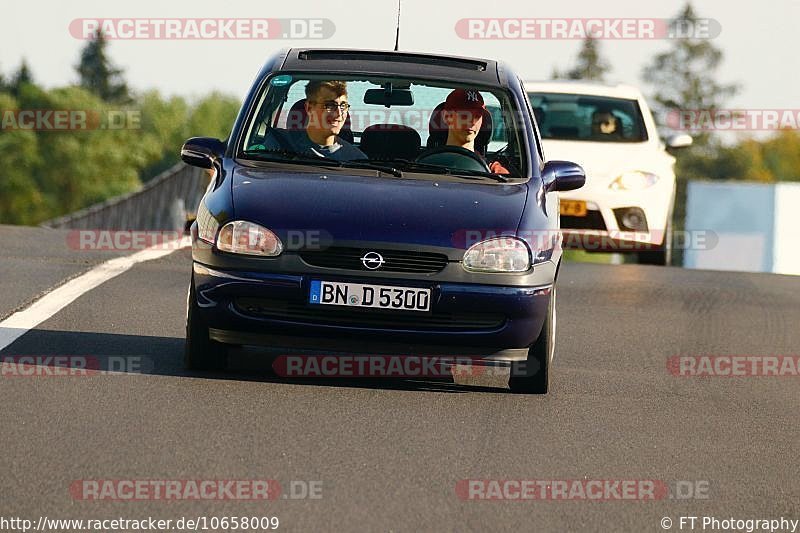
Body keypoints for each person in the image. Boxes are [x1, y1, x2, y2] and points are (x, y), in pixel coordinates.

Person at [260, 80, 366, 161]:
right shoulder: (278, 146)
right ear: (309, 108)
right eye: (329, 105)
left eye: (343, 106)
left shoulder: (356, 159)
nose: (339, 113)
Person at [440, 89, 510, 175]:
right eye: (465, 115)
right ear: (447, 116)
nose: (472, 122)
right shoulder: (421, 166)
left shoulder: (494, 172)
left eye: (477, 116)